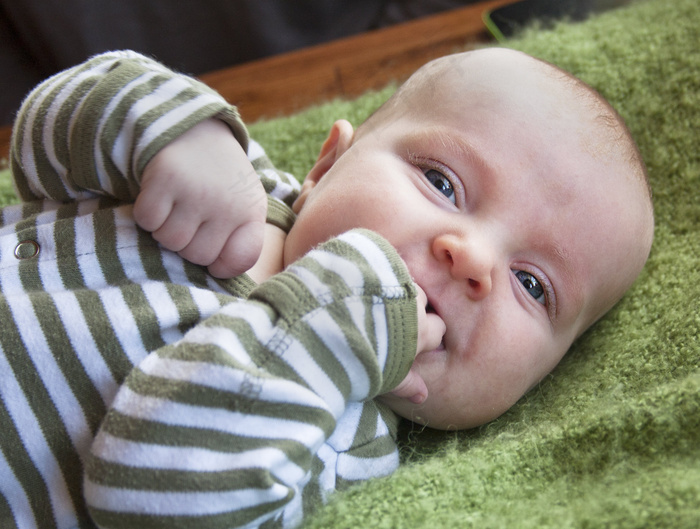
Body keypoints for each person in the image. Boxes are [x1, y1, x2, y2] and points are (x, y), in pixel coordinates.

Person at [0, 47, 653, 529]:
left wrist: (331, 325)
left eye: (533, 284)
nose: (473, 258)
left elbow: (142, 501)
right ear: (326, 165)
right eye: (444, 184)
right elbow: (38, 152)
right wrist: (172, 130)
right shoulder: (238, 182)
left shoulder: (337, 437)